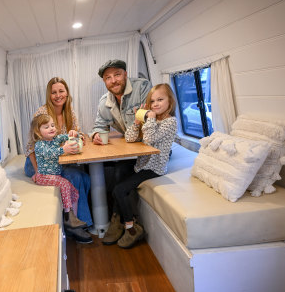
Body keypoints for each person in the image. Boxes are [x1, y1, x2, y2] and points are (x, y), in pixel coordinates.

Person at [102, 83, 178, 249]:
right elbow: (129, 138)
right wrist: (137, 122)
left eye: (160, 100)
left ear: (170, 102)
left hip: (154, 168)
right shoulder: (153, 119)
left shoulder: (170, 122)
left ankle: (131, 228)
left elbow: (150, 139)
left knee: (119, 190)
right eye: (152, 101)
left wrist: (149, 119)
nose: (155, 104)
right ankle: (119, 222)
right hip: (142, 164)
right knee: (119, 172)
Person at [24, 77, 93, 228]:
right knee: (74, 176)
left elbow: (79, 134)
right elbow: (30, 147)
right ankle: (76, 224)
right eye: (53, 92)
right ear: (49, 95)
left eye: (61, 91)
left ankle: (80, 218)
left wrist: (77, 134)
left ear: (67, 93)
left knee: (86, 177)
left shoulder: (70, 112)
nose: (58, 95)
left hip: (56, 159)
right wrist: (38, 172)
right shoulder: (42, 113)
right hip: (37, 163)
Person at [89, 59, 153, 190]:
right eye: (108, 78)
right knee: (116, 172)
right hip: (131, 151)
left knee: (120, 178)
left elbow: (153, 119)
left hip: (151, 149)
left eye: (117, 75)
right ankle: (119, 210)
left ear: (125, 74)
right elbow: (99, 127)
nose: (113, 81)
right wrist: (96, 134)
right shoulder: (104, 102)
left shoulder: (142, 87)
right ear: (104, 82)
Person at [30, 114, 93, 244]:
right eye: (46, 127)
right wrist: (63, 149)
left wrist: (75, 134)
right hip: (44, 177)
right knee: (65, 184)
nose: (51, 128)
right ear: (38, 131)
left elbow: (66, 136)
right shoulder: (39, 145)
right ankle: (67, 215)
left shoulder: (55, 139)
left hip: (54, 175)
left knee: (73, 191)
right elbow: (50, 153)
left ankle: (73, 218)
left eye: (52, 125)